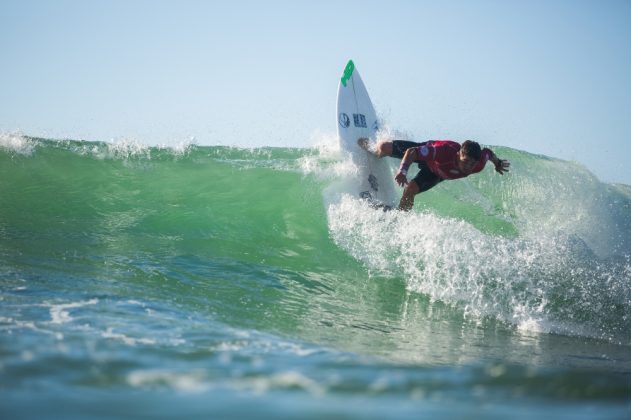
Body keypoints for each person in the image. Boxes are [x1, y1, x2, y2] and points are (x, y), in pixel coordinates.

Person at [358, 138, 510, 211]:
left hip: (436, 173)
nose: (467, 167)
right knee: (384, 147)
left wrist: (497, 163)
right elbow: (412, 152)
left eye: (472, 164)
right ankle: (374, 151)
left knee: (410, 189)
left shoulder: (478, 164)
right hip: (429, 158)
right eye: (465, 162)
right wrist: (403, 170)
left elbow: (488, 153)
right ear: (458, 155)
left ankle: (400, 215)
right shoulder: (443, 151)